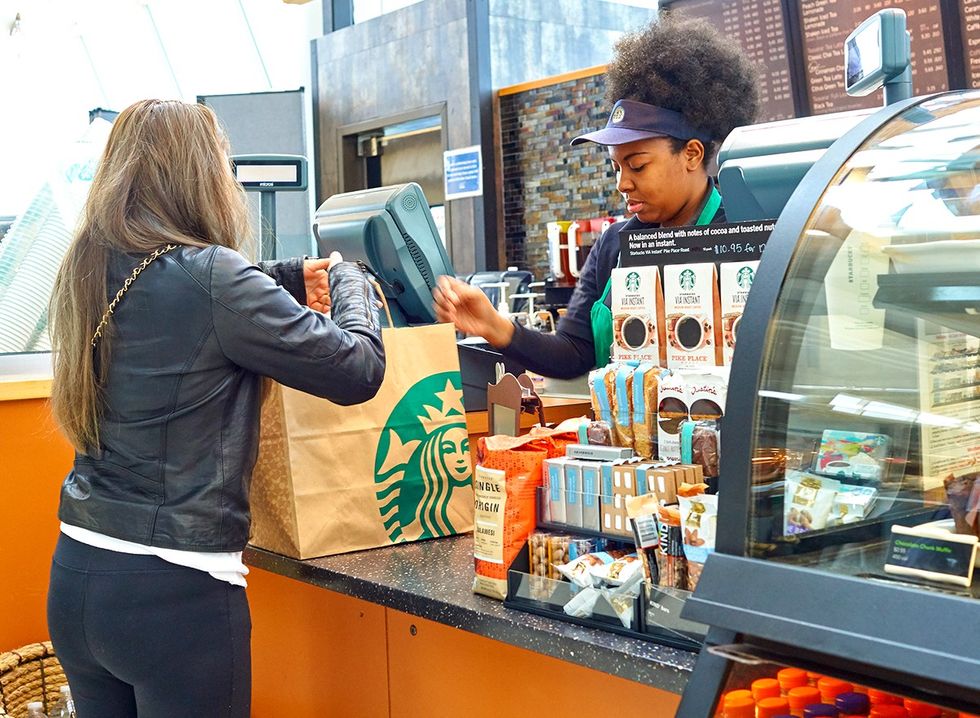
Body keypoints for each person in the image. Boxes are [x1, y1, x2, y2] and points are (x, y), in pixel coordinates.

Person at [46, 99, 385, 717]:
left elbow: (181, 306)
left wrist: (281, 277)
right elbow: (358, 370)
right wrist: (351, 280)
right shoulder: (210, 276)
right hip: (174, 595)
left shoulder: (89, 269)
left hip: (78, 578)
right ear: (200, 177)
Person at [434, 15, 760, 377]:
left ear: (692, 154)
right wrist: (496, 326)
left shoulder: (745, 232)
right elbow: (573, 352)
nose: (622, 183)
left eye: (637, 166)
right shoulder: (612, 246)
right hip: (629, 430)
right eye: (616, 167)